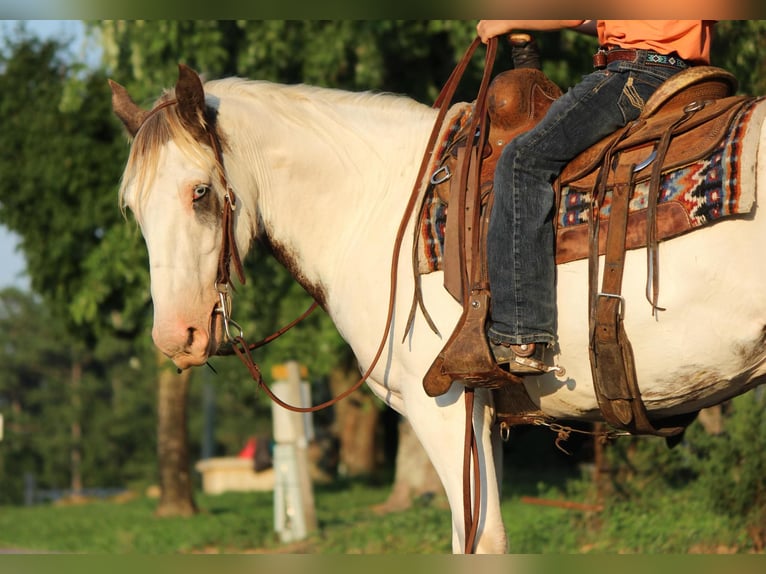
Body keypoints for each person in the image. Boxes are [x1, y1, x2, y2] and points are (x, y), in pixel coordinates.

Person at [477, 20, 714, 374]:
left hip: (634, 76)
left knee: (520, 161)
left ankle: (518, 331)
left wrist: (512, 17)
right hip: (687, 77)